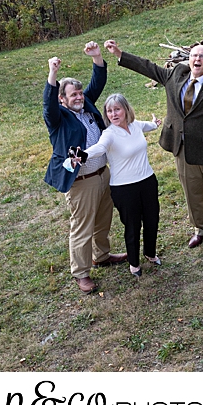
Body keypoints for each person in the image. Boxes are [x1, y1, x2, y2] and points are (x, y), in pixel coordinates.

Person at [105, 39, 203, 251]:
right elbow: (148, 67)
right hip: (182, 149)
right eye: (193, 55)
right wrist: (119, 53)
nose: (197, 59)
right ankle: (201, 228)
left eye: (202, 56)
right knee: (192, 194)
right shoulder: (176, 75)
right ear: (189, 60)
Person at [42, 43, 127, 293]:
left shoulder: (86, 105)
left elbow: (98, 83)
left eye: (80, 93)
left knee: (103, 221)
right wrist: (52, 74)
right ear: (62, 99)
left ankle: (101, 255)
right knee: (82, 226)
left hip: (103, 174)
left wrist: (97, 58)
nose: (79, 97)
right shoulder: (57, 118)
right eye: (73, 95)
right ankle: (80, 273)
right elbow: (48, 104)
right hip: (81, 181)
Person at [75, 93, 163, 278]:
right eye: (109, 111)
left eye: (117, 109)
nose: (113, 114)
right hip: (124, 188)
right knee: (132, 225)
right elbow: (99, 148)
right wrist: (83, 155)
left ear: (125, 110)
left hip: (147, 181)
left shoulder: (135, 125)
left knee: (152, 220)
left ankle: (150, 253)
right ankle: (134, 263)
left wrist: (156, 123)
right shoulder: (109, 134)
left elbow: (150, 126)